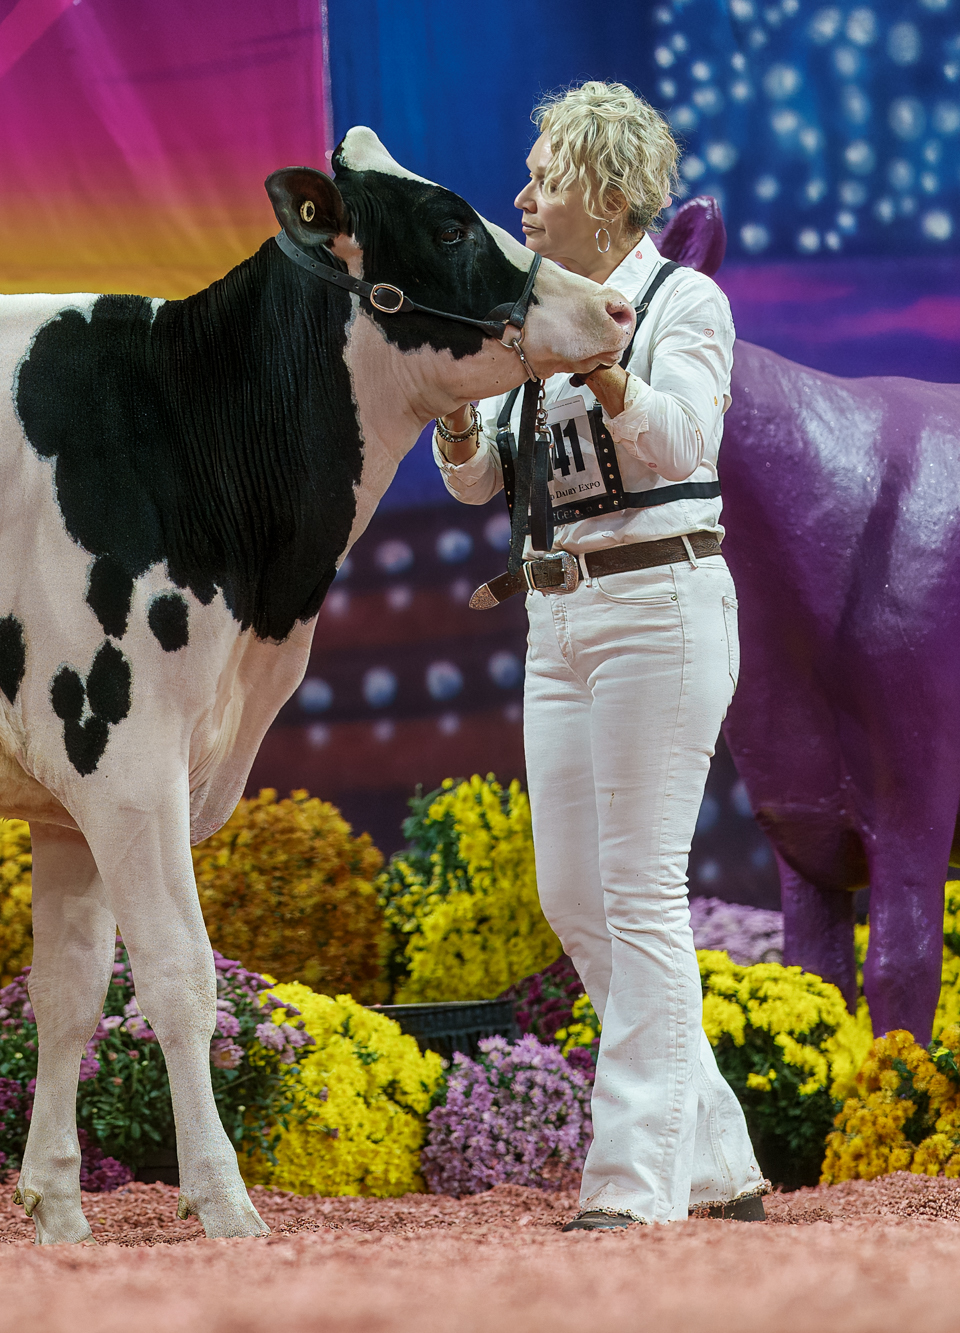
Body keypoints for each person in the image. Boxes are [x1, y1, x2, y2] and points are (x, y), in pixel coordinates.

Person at [433, 81, 766, 1228]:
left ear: (609, 195)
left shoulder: (682, 302)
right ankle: (715, 1156)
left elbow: (682, 439)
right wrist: (457, 406)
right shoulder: (531, 314)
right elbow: (481, 481)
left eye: (545, 179)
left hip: (657, 603)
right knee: (573, 895)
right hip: (556, 611)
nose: (521, 198)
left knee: (637, 891)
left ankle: (630, 1182)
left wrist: (601, 366)